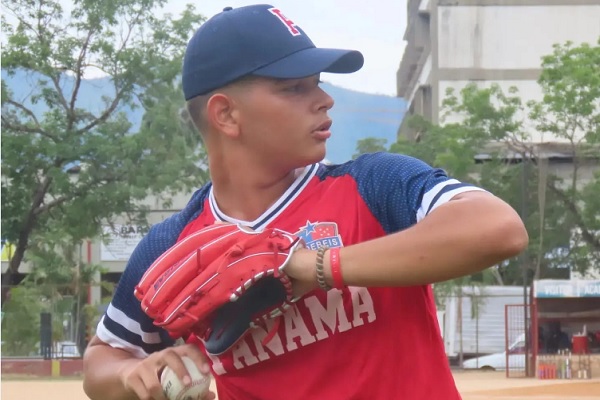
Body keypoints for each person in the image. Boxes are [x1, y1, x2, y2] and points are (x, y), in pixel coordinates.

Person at [82, 4, 529, 400]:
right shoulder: (175, 246)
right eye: (295, 88)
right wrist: (131, 374)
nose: (324, 99)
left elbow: (498, 228)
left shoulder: (373, 183)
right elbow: (102, 359)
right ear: (226, 114)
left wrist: (308, 267)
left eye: (317, 83)